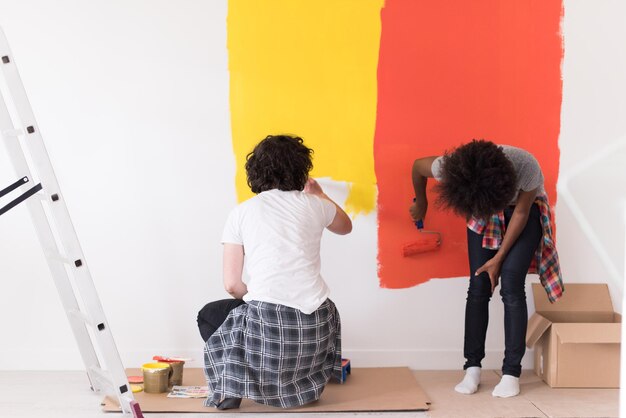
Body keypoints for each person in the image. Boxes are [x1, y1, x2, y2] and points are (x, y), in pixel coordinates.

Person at [197, 134, 352, 409]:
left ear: (256, 170)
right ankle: (303, 387)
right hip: (317, 329)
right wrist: (320, 194)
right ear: (300, 170)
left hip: (270, 335)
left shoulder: (242, 213)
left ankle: (231, 386)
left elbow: (232, 285)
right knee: (299, 309)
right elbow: (345, 226)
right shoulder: (318, 205)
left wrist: (258, 299)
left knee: (210, 314)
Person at [410, 140, 563, 398]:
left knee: (512, 283)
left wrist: (499, 257)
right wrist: (422, 202)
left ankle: (511, 373)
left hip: (524, 212)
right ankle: (472, 368)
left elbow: (521, 213)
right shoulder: (453, 167)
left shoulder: (526, 165)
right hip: (486, 209)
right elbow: (417, 167)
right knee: (479, 284)